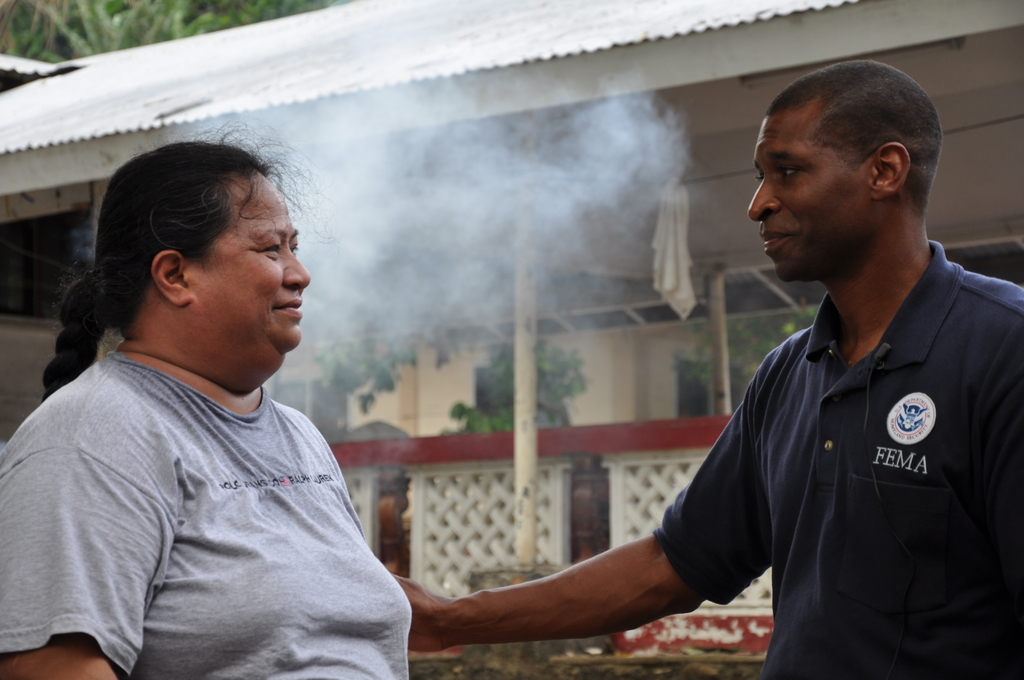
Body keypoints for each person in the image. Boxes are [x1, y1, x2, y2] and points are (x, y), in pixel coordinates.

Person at [399, 60, 1024, 678]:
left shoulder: (1002, 349)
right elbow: (671, 566)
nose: (758, 204)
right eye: (759, 176)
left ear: (884, 172)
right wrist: (451, 618)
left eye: (787, 171)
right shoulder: (789, 373)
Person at [0, 142, 411, 679]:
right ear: (175, 275)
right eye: (270, 250)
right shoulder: (93, 435)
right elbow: (52, 668)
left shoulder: (299, 435)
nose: (299, 273)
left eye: (294, 247)